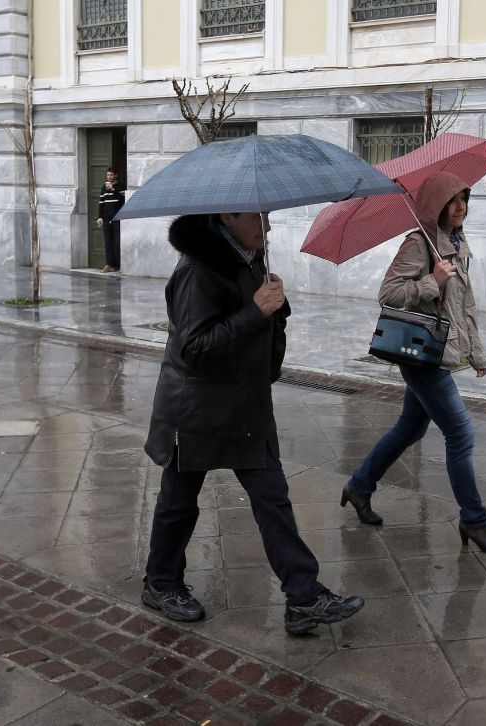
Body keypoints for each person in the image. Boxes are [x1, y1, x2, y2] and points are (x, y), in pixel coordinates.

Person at [141, 211, 364, 636]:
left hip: (245, 405)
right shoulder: (197, 270)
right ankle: (161, 583)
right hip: (196, 409)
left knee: (272, 499)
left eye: (269, 216)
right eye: (259, 216)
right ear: (228, 216)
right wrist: (256, 312)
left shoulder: (250, 260)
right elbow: (194, 348)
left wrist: (276, 309)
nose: (268, 225)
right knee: (179, 502)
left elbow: (257, 332)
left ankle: (303, 597)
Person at [339, 172, 486, 555]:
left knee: (410, 428)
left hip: (440, 351)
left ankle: (359, 486)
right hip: (421, 356)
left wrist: (477, 353)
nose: (460, 206)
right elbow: (389, 293)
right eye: (452, 200)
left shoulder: (454, 240)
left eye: (464, 197)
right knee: (461, 435)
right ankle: (474, 520)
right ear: (436, 205)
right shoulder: (419, 243)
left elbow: (464, 305)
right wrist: (431, 281)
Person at [96, 167, 125, 273]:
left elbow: (123, 200)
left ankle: (118, 265)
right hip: (106, 218)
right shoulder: (104, 187)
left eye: (111, 175)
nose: (109, 177)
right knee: (108, 243)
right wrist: (100, 217)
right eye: (108, 175)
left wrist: (113, 189)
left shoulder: (121, 186)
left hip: (117, 218)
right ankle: (109, 264)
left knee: (117, 242)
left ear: (115, 175)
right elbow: (101, 203)